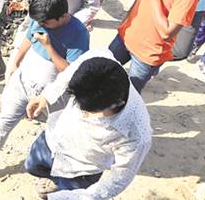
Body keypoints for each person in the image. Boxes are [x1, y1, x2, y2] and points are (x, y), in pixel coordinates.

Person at [0, 0, 89, 176]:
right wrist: (15, 61)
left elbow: (70, 71)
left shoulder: (79, 33)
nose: (40, 25)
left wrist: (49, 47)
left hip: (50, 96)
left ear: (62, 16)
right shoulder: (41, 18)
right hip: (23, 83)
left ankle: (54, 170)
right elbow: (29, 38)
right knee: (3, 122)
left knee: (57, 132)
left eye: (45, 22)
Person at [24, 49, 152, 199]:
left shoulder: (137, 133)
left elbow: (117, 180)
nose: (82, 115)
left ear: (117, 103)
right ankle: (54, 179)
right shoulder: (99, 59)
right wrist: (46, 96)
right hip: (54, 139)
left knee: (65, 191)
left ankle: (58, 188)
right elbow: (72, 69)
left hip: (81, 171)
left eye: (90, 112)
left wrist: (65, 197)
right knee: (32, 165)